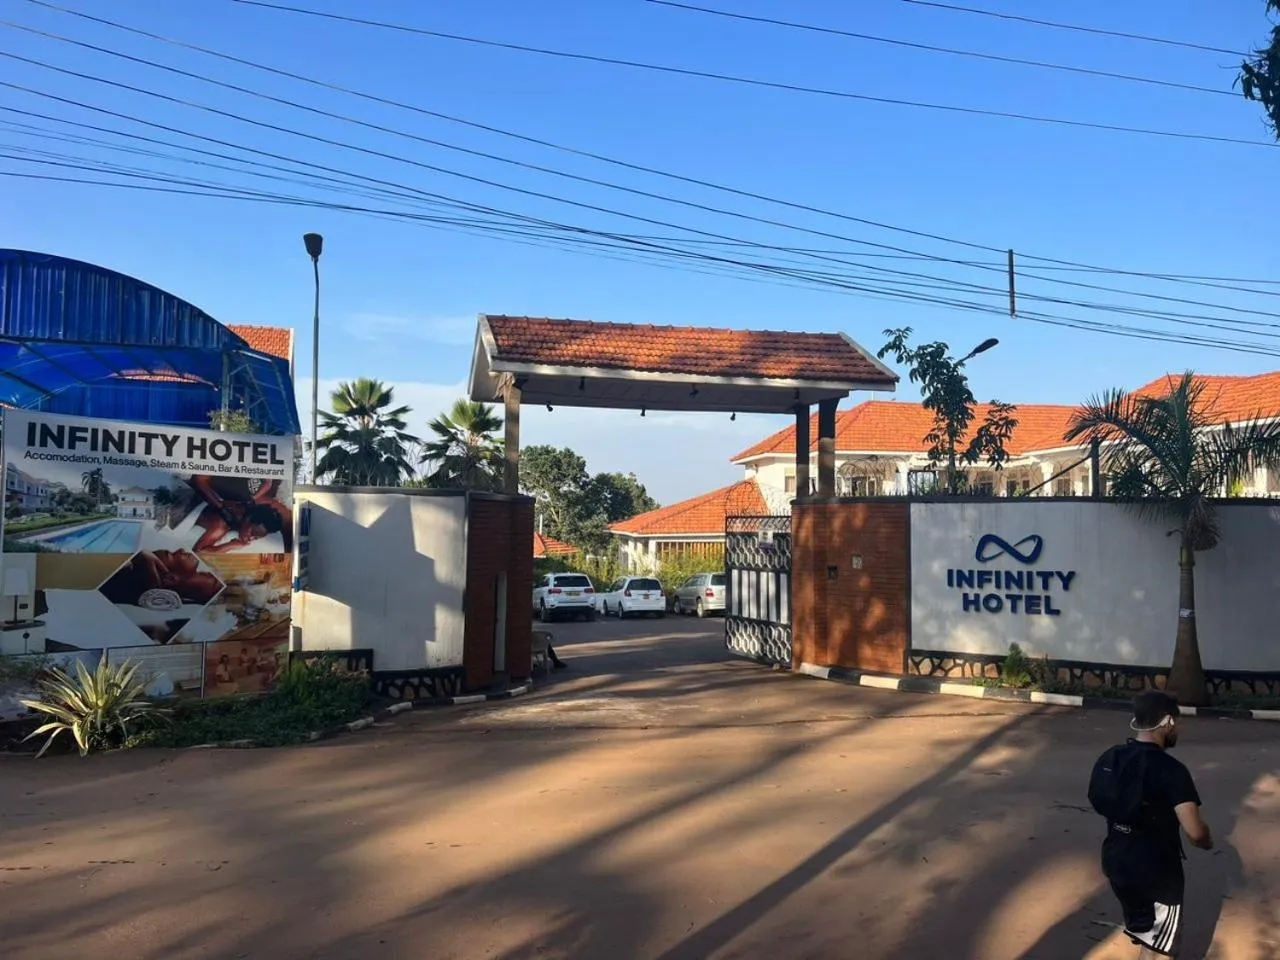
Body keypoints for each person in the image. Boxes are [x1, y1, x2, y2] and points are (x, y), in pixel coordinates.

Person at [1089, 690, 1213, 958]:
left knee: (1149, 937)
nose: (1177, 728)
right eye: (1176, 723)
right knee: (1162, 948)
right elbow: (1194, 831)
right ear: (1167, 721)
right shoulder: (1172, 770)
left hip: (1117, 861)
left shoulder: (1112, 758)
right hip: (1156, 872)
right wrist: (1206, 839)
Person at [188, 475, 292, 554]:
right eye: (252, 533)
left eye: (254, 538)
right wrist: (230, 546)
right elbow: (199, 551)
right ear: (248, 519)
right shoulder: (221, 525)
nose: (249, 539)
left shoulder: (247, 506)